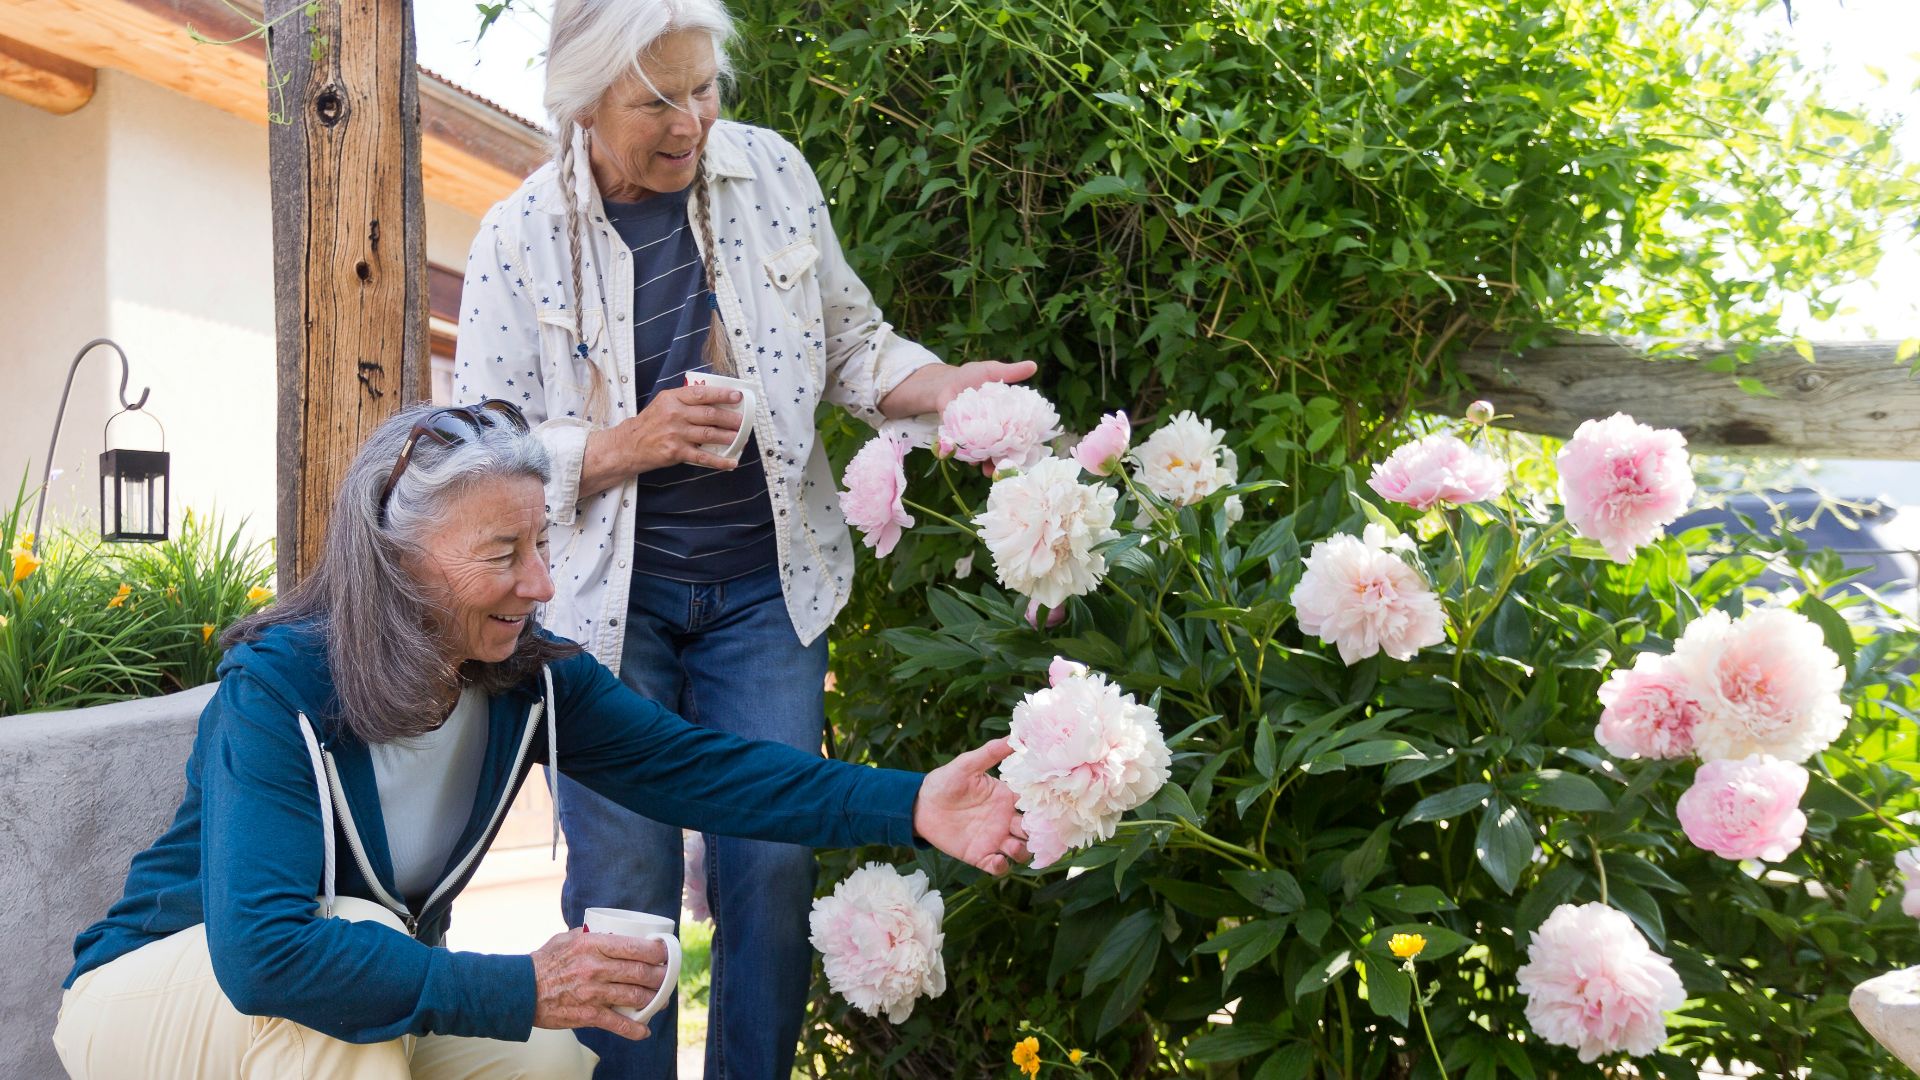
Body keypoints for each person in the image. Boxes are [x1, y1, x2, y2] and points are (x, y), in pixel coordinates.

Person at [51, 401, 1028, 1079]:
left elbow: (699, 770)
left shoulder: (529, 679)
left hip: (321, 1009)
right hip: (149, 1001)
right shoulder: (278, 691)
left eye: (541, 547)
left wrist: (908, 804)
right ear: (401, 564)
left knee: (556, 1048)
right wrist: (519, 984)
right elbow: (266, 958)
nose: (542, 583)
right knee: (358, 962)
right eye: (502, 555)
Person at [452, 1, 1035, 1075]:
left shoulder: (770, 174)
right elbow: (479, 458)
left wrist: (943, 387)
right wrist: (629, 443)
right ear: (582, 103)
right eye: (657, 100)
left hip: (766, 599)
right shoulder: (517, 238)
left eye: (706, 88)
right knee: (624, 899)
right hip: (601, 616)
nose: (691, 123)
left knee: (771, 866)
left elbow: (855, 345)